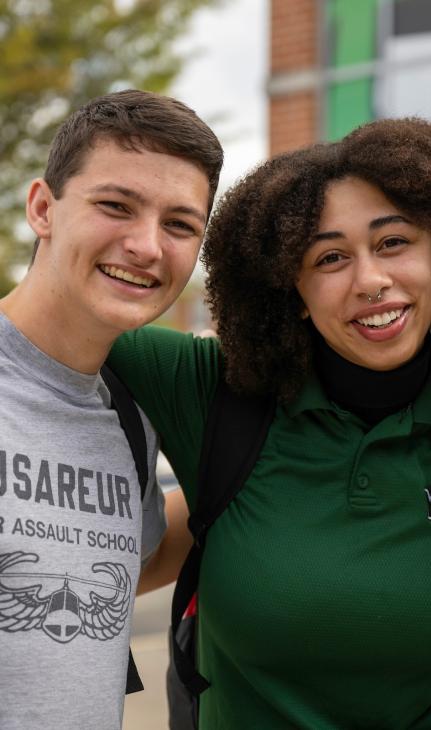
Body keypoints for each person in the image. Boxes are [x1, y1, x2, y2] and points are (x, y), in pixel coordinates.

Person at [108, 117, 431, 729]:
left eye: (394, 242)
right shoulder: (210, 390)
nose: (371, 281)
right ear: (291, 289)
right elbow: (46, 320)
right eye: (329, 257)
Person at [0, 89, 223, 730]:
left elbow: (140, 558)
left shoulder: (128, 413)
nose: (148, 246)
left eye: (180, 224)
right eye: (115, 206)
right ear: (43, 208)